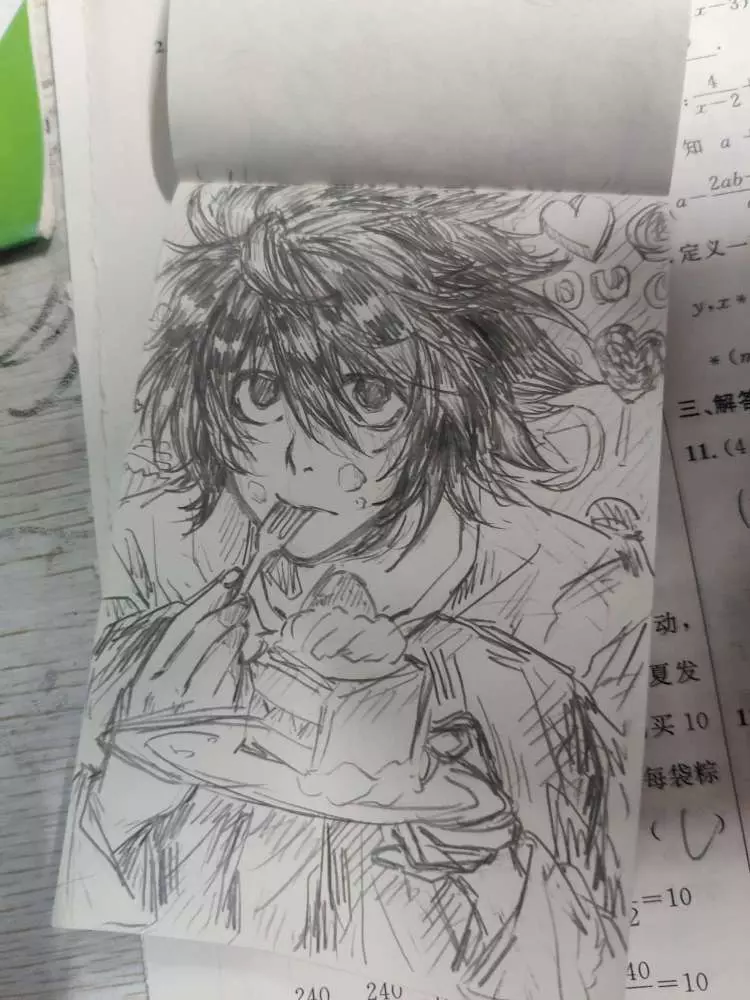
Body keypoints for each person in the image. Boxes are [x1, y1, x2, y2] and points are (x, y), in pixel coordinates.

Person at [61, 185, 652, 999]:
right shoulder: (146, 661)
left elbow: (595, 958)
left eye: (367, 395)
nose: (299, 458)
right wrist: (128, 789)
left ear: (448, 409)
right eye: (260, 393)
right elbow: (99, 940)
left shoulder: (524, 692)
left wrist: (470, 838)